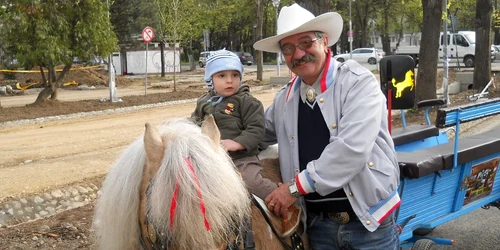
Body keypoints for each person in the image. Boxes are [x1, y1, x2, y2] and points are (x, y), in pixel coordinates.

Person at [254, 4, 401, 250]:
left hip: (369, 223)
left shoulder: (358, 83)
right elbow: (256, 134)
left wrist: (293, 188)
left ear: (325, 42)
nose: (298, 54)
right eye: (288, 48)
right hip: (319, 226)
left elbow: (350, 150)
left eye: (305, 43)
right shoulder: (284, 99)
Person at [191, 49, 300, 236]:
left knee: (250, 181)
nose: (229, 80)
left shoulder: (248, 102)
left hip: (241, 157)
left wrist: (237, 143)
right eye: (222, 75)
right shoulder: (204, 102)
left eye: (235, 75)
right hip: (211, 159)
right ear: (210, 80)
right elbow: (194, 123)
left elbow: (256, 130)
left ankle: (287, 206)